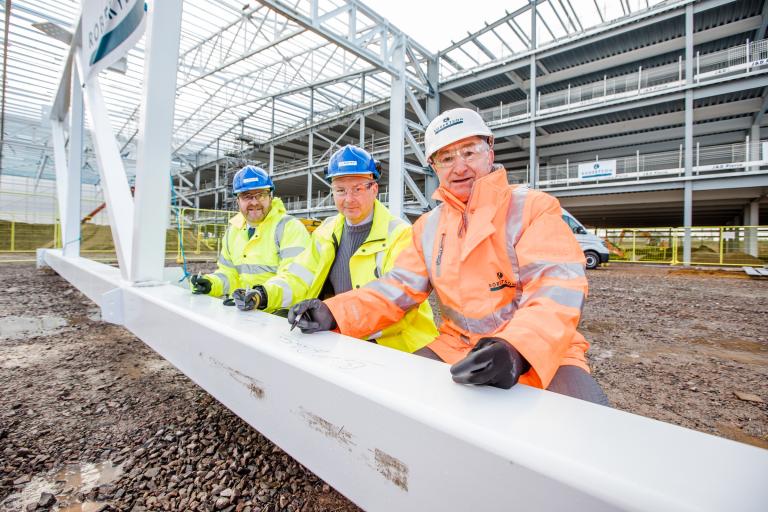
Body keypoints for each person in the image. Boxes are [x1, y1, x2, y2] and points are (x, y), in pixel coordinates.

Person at [286, 109, 609, 405]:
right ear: (434, 167)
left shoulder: (533, 208)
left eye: (469, 152)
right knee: (396, 407)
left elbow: (556, 289)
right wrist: (334, 312)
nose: (459, 167)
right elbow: (397, 288)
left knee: (583, 431)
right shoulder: (429, 226)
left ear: (490, 154)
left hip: (544, 347)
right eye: (446, 158)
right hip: (458, 346)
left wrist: (517, 348)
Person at [231, 145, 437, 354]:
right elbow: (299, 276)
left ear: (374, 189)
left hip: (399, 349)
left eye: (358, 189)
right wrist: (263, 294)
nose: (348, 199)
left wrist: (334, 314)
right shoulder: (326, 232)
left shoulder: (400, 234)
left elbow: (396, 298)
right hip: (346, 338)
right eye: (340, 190)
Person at [190, 165, 310, 301]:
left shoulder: (289, 227)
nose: (254, 202)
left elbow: (295, 279)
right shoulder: (233, 232)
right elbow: (229, 274)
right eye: (247, 196)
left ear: (270, 197)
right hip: (244, 309)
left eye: (261, 195)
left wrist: (261, 296)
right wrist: (210, 284)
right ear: (238, 201)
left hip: (281, 315)